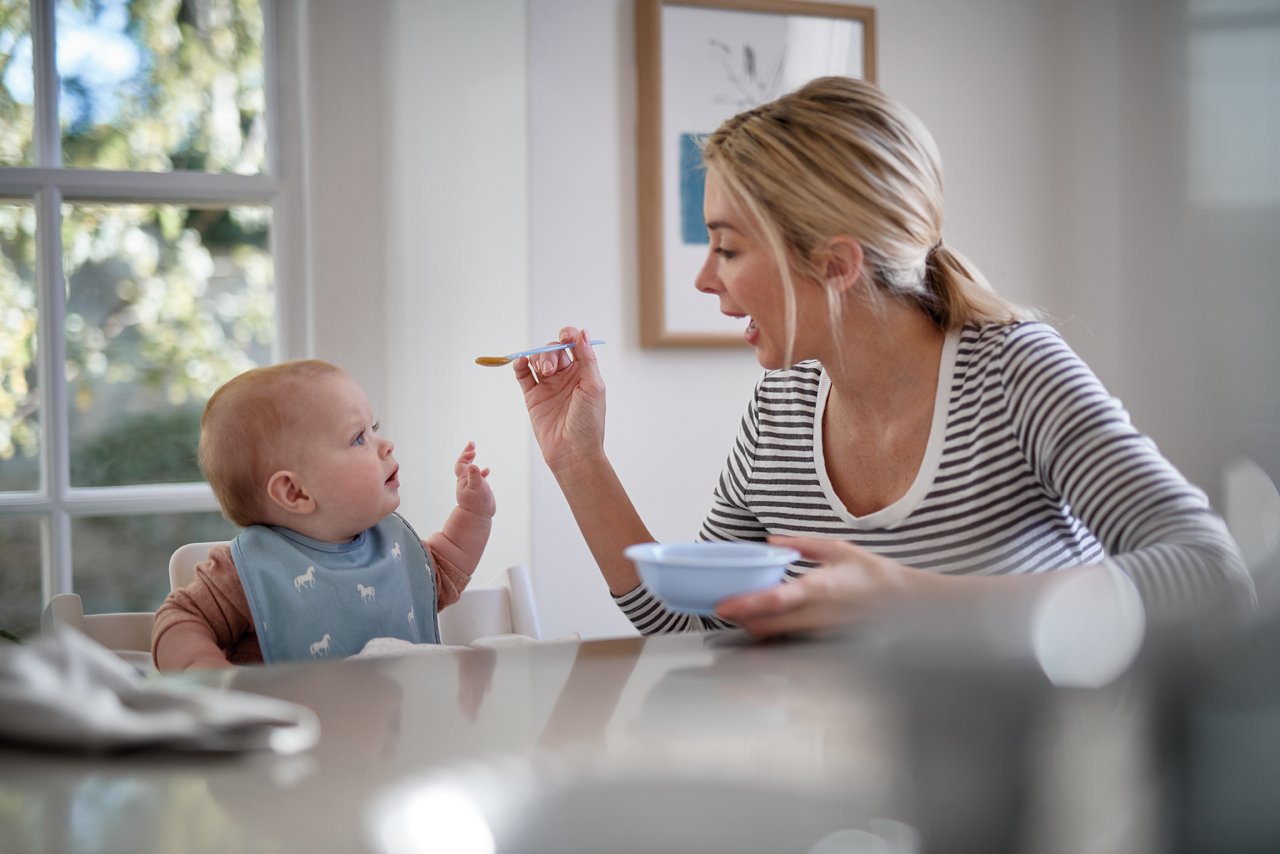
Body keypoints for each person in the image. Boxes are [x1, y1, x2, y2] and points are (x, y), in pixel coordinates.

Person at [513, 76, 1254, 639]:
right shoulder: (783, 407)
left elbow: (1210, 573)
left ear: (836, 263)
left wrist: (906, 597)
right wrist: (580, 462)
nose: (705, 279)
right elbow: (699, 627)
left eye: (729, 248)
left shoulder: (1015, 374)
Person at [152, 359, 495, 669]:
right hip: (301, 734)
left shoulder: (393, 547)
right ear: (296, 492)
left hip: (404, 733)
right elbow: (180, 617)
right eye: (359, 437)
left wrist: (473, 514)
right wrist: (208, 674)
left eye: (374, 426)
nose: (385, 443)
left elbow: (446, 567)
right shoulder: (247, 573)